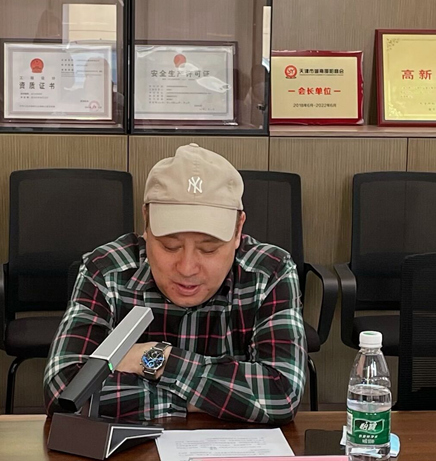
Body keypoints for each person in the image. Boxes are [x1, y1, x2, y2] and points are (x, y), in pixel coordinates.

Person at [44, 143, 307, 424]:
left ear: (238, 230)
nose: (187, 268)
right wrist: (218, 398)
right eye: (170, 246)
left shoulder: (270, 272)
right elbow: (66, 392)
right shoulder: (106, 269)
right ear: (146, 222)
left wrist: (154, 359)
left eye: (208, 249)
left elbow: (281, 394)